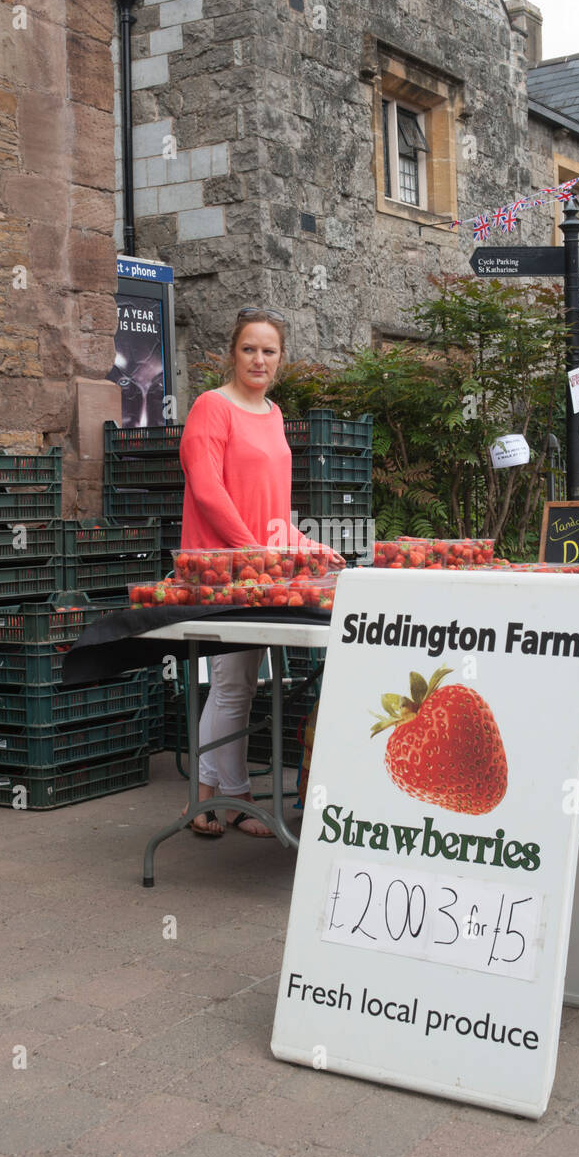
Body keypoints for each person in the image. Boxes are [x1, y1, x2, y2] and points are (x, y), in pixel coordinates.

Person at [178, 306, 340, 838]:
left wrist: (308, 547)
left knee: (240, 685)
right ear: (233, 353)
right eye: (249, 348)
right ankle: (220, 797)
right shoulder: (211, 408)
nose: (259, 358)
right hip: (221, 568)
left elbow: (273, 510)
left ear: (281, 359)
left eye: (269, 350)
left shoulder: (272, 415)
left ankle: (224, 797)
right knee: (231, 686)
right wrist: (255, 554)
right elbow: (208, 491)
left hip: (259, 567)